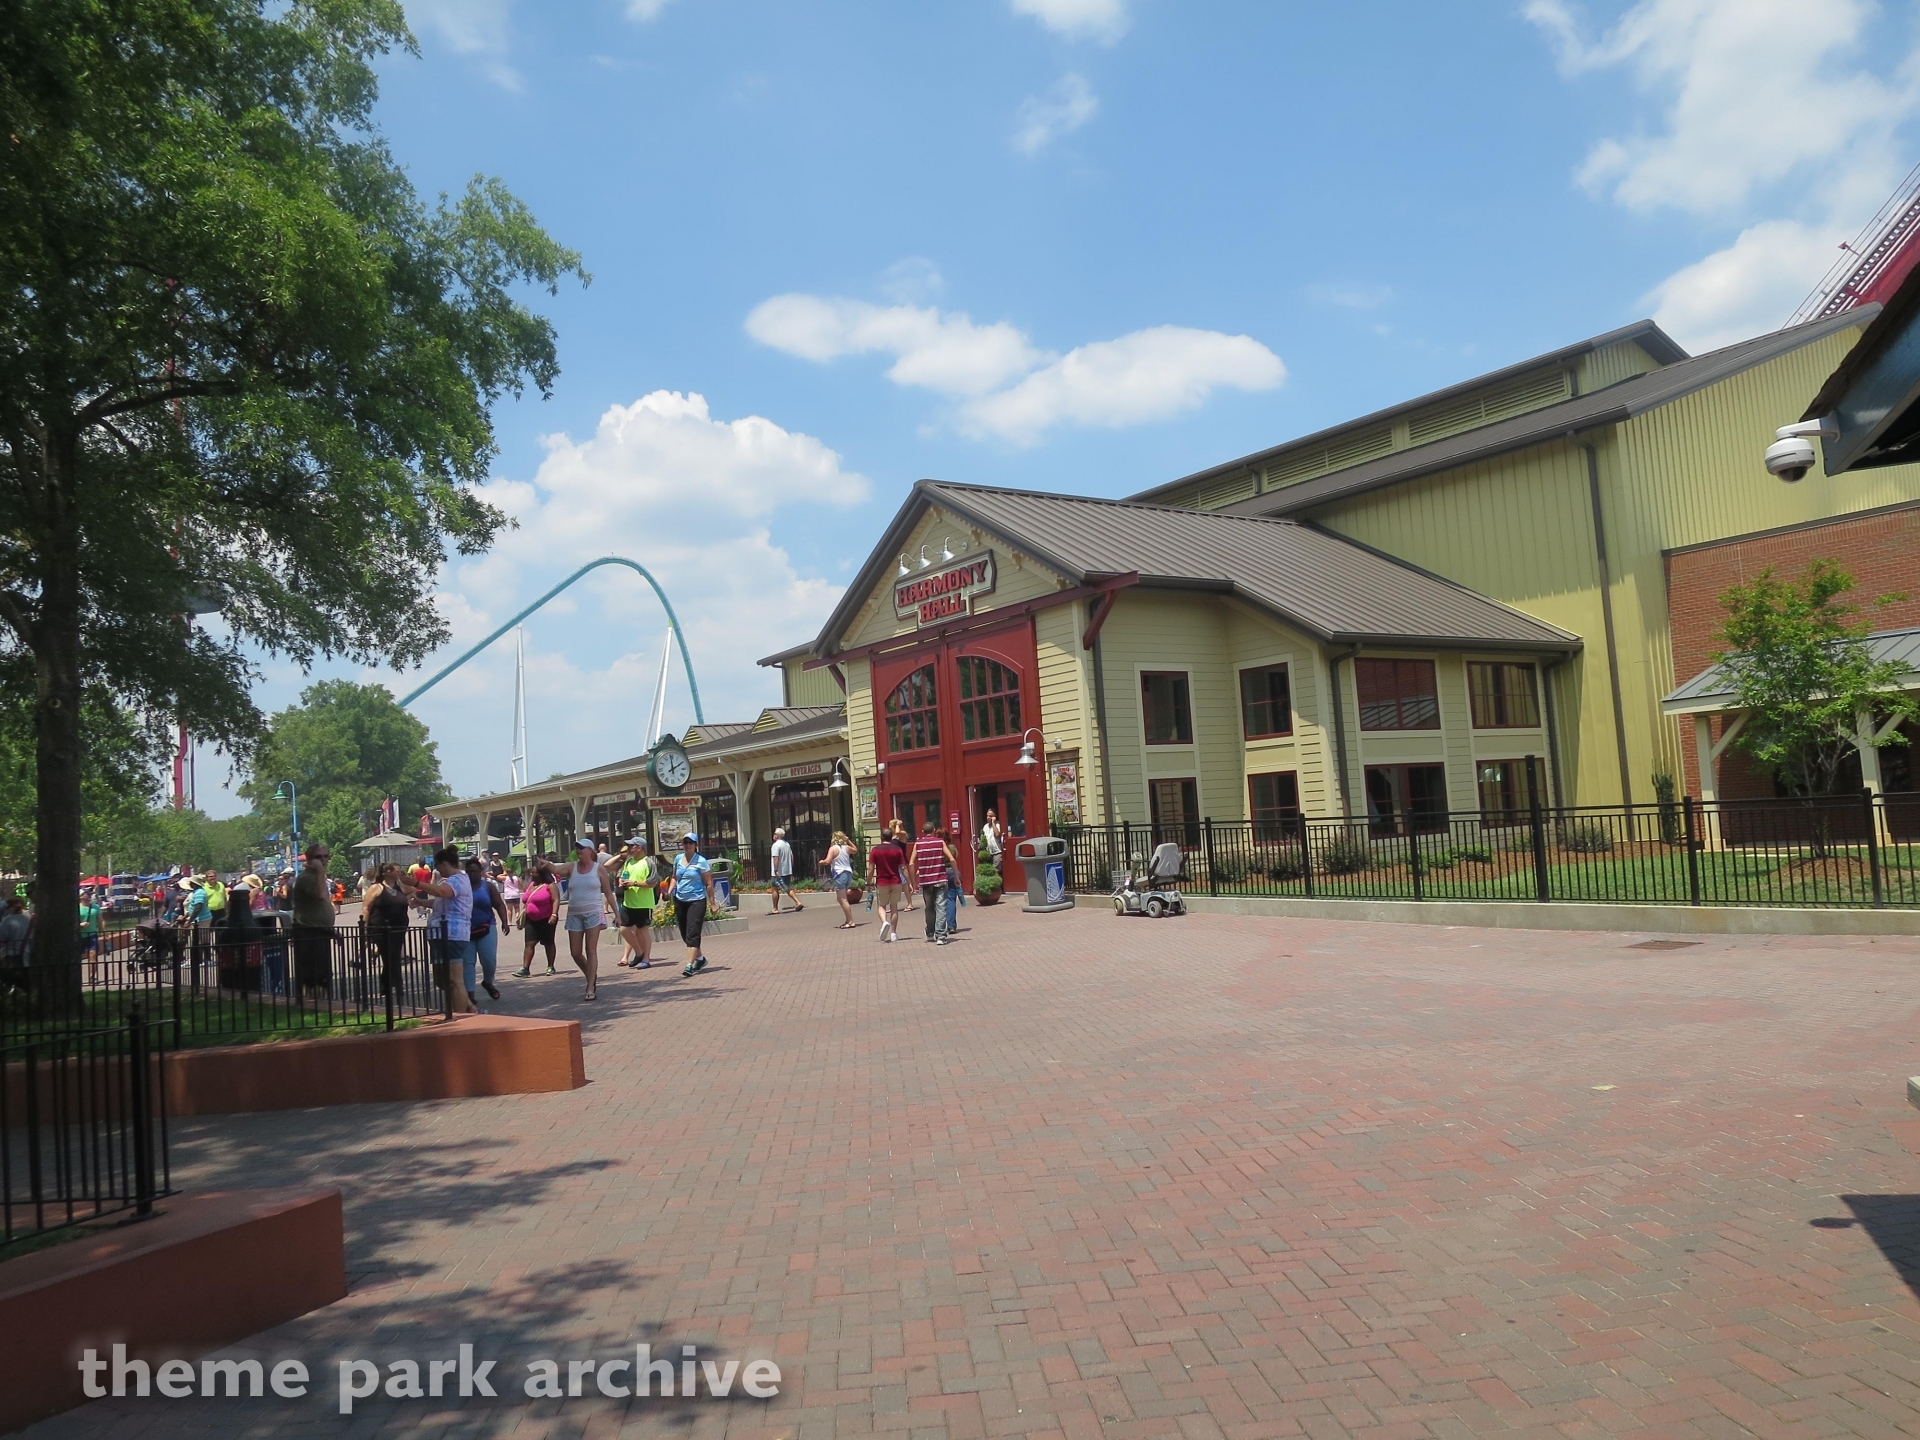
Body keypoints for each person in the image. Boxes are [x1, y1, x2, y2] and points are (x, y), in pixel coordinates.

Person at [416, 846, 476, 1014]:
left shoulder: (457, 880)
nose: (437, 870)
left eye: (437, 866)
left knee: (454, 980)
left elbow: (443, 892)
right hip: (440, 934)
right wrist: (421, 902)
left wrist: (416, 883)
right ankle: (469, 1007)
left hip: (452, 934)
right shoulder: (450, 881)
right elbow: (440, 901)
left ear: (443, 864)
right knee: (442, 980)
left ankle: (459, 1014)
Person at [562, 837, 616, 1001]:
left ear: (590, 851)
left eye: (582, 848)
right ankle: (591, 974)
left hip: (593, 912)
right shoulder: (572, 867)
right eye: (576, 848)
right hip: (574, 914)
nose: (578, 850)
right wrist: (544, 863)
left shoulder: (599, 869)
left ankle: (590, 985)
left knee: (590, 950)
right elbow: (555, 869)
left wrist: (617, 915)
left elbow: (608, 893)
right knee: (575, 953)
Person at [289, 843, 337, 998]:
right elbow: (319, 896)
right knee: (313, 973)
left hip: (320, 931)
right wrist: (320, 872)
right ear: (309, 859)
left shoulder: (317, 877)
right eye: (318, 857)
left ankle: (322, 999)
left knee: (323, 971)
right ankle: (312, 1002)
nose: (323, 860)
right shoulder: (306, 878)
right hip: (308, 932)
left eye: (325, 856)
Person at [464, 857, 509, 1005]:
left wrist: (505, 922)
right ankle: (470, 993)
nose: (472, 874)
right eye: (469, 872)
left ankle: (488, 982)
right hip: (466, 930)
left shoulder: (487, 886)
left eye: (475, 871)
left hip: (486, 926)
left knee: (489, 960)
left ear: (481, 872)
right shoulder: (462, 888)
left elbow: (499, 904)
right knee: (468, 963)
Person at [362, 862, 411, 997]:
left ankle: (386, 984)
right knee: (389, 956)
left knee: (394, 956)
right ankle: (398, 985)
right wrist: (364, 929)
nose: (399, 873)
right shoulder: (376, 887)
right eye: (397, 871)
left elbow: (412, 890)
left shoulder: (399, 885)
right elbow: (366, 908)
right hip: (381, 928)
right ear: (388, 872)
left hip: (399, 927)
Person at [672, 833, 716, 977]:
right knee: (685, 934)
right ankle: (700, 959)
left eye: (690, 842)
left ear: (696, 845)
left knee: (693, 933)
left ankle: (689, 965)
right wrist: (669, 890)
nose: (687, 845)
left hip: (697, 900)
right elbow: (674, 877)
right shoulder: (678, 858)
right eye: (685, 842)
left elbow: (709, 884)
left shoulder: (701, 861)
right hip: (680, 899)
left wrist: (713, 903)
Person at [615, 837, 660, 969]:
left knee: (642, 930)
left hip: (643, 903)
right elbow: (622, 875)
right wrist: (622, 882)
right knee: (623, 929)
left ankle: (646, 959)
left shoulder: (649, 863)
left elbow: (652, 883)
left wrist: (634, 883)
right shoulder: (629, 861)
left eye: (632, 846)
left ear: (639, 847)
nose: (629, 848)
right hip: (628, 902)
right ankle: (639, 953)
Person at [912, 821, 957, 945]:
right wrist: (956, 876)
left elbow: (911, 863)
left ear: (923, 832)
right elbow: (952, 859)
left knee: (929, 908)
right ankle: (941, 936)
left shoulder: (918, 844)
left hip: (926, 881)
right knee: (941, 906)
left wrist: (914, 881)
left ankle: (930, 932)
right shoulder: (940, 842)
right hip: (940, 879)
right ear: (934, 830)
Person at [515, 860, 560, 977]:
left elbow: (556, 900)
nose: (531, 875)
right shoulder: (531, 885)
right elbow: (527, 901)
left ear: (541, 874)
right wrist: (522, 915)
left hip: (546, 919)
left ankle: (550, 966)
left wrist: (554, 914)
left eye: (534, 873)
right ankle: (525, 968)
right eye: (531, 872)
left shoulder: (550, 886)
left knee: (548, 943)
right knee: (529, 944)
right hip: (531, 920)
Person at [868, 827, 906, 943]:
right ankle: (894, 933)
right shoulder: (897, 850)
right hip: (895, 880)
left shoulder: (875, 850)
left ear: (881, 837)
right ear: (891, 837)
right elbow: (903, 867)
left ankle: (884, 922)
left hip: (882, 881)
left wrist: (868, 882)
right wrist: (909, 882)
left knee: (881, 905)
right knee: (894, 907)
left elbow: (870, 869)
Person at [826, 831, 859, 928]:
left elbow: (828, 861)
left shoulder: (833, 849)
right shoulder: (847, 848)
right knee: (841, 899)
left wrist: (822, 862)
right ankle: (848, 919)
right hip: (848, 874)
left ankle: (851, 921)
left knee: (843, 899)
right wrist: (848, 841)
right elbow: (855, 850)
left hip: (839, 874)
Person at [768, 827, 803, 914]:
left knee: (778, 889)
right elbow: (791, 857)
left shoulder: (776, 845)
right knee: (782, 887)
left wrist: (775, 870)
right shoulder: (787, 844)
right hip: (787, 870)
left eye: (775, 834)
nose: (774, 835)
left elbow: (776, 858)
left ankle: (796, 902)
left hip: (779, 872)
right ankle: (775, 908)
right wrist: (790, 866)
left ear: (778, 835)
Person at [78, 890, 102, 983]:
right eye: (86, 894)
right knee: (77, 957)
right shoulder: (77, 908)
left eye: (89, 894)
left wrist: (104, 932)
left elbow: (101, 920)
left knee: (93, 955)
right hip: (79, 935)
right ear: (80, 896)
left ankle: (92, 977)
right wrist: (80, 924)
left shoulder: (95, 907)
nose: (88, 895)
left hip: (92, 935)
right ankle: (76, 977)